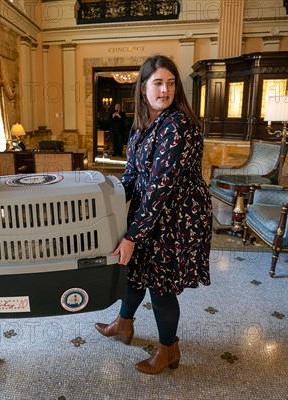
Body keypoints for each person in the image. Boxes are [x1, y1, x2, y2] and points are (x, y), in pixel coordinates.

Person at [95, 55, 212, 375]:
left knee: (160, 284)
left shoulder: (177, 125)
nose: (165, 90)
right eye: (158, 83)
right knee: (135, 269)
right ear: (143, 88)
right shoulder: (141, 125)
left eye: (171, 83)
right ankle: (124, 323)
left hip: (178, 216)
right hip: (152, 212)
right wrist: (111, 208)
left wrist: (132, 235)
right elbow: (131, 177)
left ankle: (168, 350)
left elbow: (161, 186)